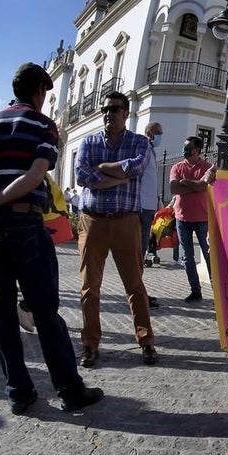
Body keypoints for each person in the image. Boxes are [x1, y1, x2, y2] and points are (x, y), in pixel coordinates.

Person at [0, 63, 103, 414]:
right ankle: (70, 390)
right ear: (39, 90)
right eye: (46, 92)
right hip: (25, 223)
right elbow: (36, 173)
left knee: (3, 312)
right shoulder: (43, 124)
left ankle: (18, 392)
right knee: (43, 310)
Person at [74, 91, 158, 367]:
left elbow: (135, 168)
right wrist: (117, 177)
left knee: (135, 284)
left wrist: (101, 170)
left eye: (115, 109)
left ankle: (146, 341)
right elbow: (81, 176)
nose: (109, 113)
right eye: (105, 109)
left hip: (126, 221)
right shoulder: (88, 142)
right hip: (92, 220)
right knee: (89, 286)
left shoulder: (139, 142)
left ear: (126, 112)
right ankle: (90, 343)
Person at [170, 136, 216, 302]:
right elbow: (173, 188)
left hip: (202, 218)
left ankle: (215, 288)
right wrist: (194, 185)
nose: (185, 149)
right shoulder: (177, 166)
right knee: (187, 257)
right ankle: (195, 290)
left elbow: (204, 185)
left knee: (209, 254)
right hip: (182, 218)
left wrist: (186, 183)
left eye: (188, 146)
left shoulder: (207, 167)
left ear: (197, 150)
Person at [137, 121, 163, 307]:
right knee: (139, 252)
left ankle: (138, 291)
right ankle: (137, 294)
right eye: (159, 132)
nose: (161, 136)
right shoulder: (144, 147)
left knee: (141, 251)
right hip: (141, 207)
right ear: (150, 133)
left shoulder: (150, 149)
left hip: (147, 206)